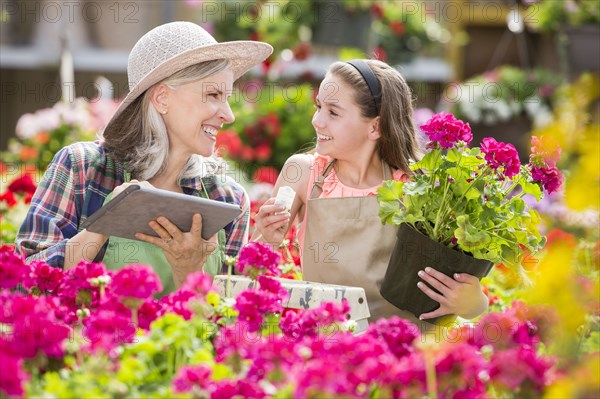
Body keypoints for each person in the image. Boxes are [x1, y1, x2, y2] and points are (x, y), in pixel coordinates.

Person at [15, 22, 273, 295]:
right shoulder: (82, 168)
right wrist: (103, 225)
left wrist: (190, 274)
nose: (228, 115)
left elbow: (227, 325)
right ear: (162, 98)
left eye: (227, 98)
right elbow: (22, 285)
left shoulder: (227, 199)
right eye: (213, 95)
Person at [253, 59, 488, 327]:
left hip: (404, 351)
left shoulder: (419, 186)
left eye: (333, 112)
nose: (317, 120)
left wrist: (470, 301)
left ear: (375, 127)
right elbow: (250, 271)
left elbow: (471, 301)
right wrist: (265, 240)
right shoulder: (303, 174)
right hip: (327, 350)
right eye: (319, 107)